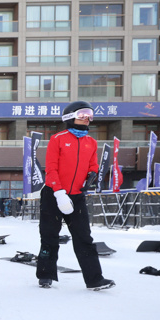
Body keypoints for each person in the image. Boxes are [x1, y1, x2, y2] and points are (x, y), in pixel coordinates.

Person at [36, 101, 114, 290]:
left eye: (90, 115)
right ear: (70, 116)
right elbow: (51, 168)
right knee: (49, 236)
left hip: (77, 196)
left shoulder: (91, 143)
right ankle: (45, 275)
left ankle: (95, 279)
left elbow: (93, 165)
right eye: (83, 114)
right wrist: (59, 192)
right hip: (54, 195)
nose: (87, 118)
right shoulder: (58, 139)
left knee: (84, 238)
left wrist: (93, 174)